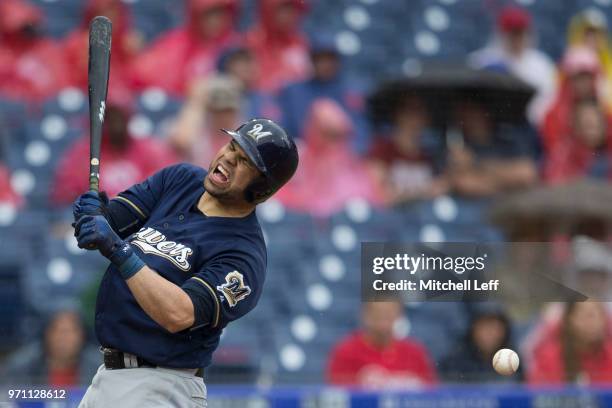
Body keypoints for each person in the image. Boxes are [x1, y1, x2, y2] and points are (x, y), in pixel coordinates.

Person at [73, 118, 298, 407]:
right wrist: (92, 214)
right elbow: (104, 228)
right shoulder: (180, 179)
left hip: (162, 385)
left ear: (262, 189)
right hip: (108, 375)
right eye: (232, 146)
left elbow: (178, 314)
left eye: (244, 161)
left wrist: (118, 249)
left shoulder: (244, 255)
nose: (228, 158)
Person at [51, 96, 178, 204]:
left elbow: (167, 185)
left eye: (120, 117)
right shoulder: (84, 152)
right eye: (111, 117)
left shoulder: (149, 149)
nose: (116, 123)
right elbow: (67, 192)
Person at [275, 98, 384, 216]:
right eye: (327, 134)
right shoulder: (294, 158)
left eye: (338, 136)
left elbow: (372, 203)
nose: (333, 144)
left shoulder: (351, 164)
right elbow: (279, 199)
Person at [468, 6, 557, 125]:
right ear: (501, 34)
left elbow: (548, 103)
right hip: (493, 124)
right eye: (512, 33)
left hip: (529, 127)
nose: (516, 38)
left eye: (520, 33)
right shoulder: (482, 61)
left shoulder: (542, 64)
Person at [130, 0, 239, 95]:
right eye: (208, 14)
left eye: (220, 14)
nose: (214, 21)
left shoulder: (234, 44)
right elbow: (141, 73)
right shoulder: (178, 44)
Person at [277, 33, 365, 146]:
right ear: (312, 61)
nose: (326, 65)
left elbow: (361, 136)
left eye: (331, 59)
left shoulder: (352, 93)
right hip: (302, 154)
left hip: (341, 156)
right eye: (321, 59)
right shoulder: (293, 91)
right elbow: (285, 130)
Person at [327, 301, 437, 389]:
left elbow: (431, 395)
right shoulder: (347, 351)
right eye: (377, 313)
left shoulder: (415, 352)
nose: (383, 319)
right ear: (365, 314)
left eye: (388, 313)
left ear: (399, 314)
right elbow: (338, 395)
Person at [445, 99, 538, 197]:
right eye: (463, 115)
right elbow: (465, 184)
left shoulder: (508, 140)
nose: (469, 119)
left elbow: (526, 173)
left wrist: (475, 164)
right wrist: (508, 182)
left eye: (473, 113)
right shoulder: (458, 148)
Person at [367, 96, 447, 205]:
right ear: (398, 115)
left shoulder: (428, 156)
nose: (417, 118)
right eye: (411, 111)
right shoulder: (381, 149)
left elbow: (440, 187)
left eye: (422, 112)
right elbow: (382, 195)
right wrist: (424, 192)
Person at [62, 0, 142, 100]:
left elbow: (136, 81)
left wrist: (133, 56)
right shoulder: (78, 43)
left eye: (114, 12)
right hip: (88, 101)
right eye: (103, 13)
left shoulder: (127, 42)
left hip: (122, 101)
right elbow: (73, 82)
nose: (110, 18)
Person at [3, 307, 100, 386]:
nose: (63, 338)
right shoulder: (21, 367)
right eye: (57, 330)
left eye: (70, 331)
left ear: (82, 335)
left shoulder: (99, 368)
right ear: (45, 334)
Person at [541, 47, 608, 160]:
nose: (583, 83)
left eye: (587, 77)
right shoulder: (553, 115)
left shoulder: (605, 111)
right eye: (577, 77)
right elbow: (554, 153)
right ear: (568, 79)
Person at [0, 0, 69, 102]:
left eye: (28, 27)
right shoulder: (4, 53)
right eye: (21, 28)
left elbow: (60, 87)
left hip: (45, 107)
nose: (24, 32)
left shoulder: (49, 50)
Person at [528, 301, 612, 385]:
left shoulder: (609, 354)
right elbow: (539, 393)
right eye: (588, 316)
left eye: (600, 315)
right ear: (569, 320)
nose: (595, 322)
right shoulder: (548, 357)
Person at [169, 75, 243, 169]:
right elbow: (181, 141)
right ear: (209, 111)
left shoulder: (242, 134)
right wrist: (197, 101)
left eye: (228, 111)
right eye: (218, 111)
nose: (223, 116)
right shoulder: (198, 131)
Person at [440, 303, 521, 383]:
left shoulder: (516, 362)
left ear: (504, 331)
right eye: (484, 327)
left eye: (494, 327)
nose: (489, 333)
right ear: (473, 330)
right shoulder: (454, 363)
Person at [245, 0, 310, 93]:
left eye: (292, 10)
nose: (289, 16)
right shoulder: (251, 42)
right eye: (282, 10)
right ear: (268, 11)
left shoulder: (301, 42)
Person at [544, 98, 612, 183]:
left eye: (597, 124)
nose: (593, 131)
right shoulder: (564, 154)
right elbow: (555, 181)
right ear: (576, 127)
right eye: (588, 125)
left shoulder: (608, 154)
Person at [217, 46, 280, 120]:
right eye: (241, 61)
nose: (249, 65)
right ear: (227, 66)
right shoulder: (219, 98)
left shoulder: (265, 97)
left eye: (251, 60)